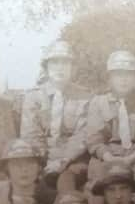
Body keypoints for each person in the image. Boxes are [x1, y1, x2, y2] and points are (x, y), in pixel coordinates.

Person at [20, 39, 91, 191]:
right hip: (40, 158)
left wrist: (63, 161)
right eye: (55, 63)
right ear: (46, 67)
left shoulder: (85, 97)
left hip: (73, 159)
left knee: (68, 180)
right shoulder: (33, 97)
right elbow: (30, 135)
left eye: (65, 63)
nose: (60, 68)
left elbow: (82, 135)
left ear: (73, 68)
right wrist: (44, 162)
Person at [86, 50, 135, 204]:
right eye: (118, 74)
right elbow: (94, 139)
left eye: (129, 74)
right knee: (97, 191)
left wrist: (134, 157)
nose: (124, 79)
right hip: (107, 155)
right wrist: (110, 158)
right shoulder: (98, 102)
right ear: (110, 78)